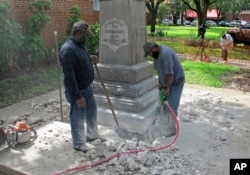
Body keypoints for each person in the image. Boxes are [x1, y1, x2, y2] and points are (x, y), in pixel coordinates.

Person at [59, 21, 106, 153]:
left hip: (87, 88)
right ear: (79, 33)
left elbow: (80, 57)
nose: (87, 37)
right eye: (86, 35)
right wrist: (78, 96)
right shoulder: (67, 50)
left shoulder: (80, 45)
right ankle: (79, 143)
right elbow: (69, 77)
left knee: (92, 111)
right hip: (78, 91)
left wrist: (89, 57)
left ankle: (92, 135)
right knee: (78, 116)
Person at [143, 41, 185, 137]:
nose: (150, 55)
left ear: (153, 48)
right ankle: (165, 123)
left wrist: (168, 88)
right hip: (167, 82)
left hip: (176, 81)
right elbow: (159, 70)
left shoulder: (166, 54)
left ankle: (172, 129)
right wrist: (161, 84)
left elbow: (169, 74)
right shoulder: (157, 56)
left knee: (171, 105)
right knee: (164, 105)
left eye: (149, 53)